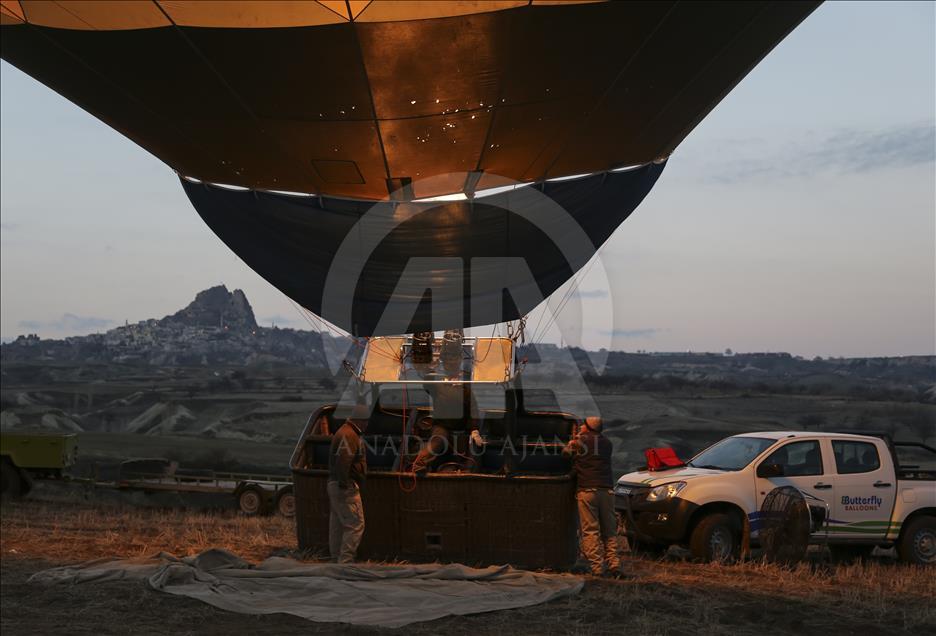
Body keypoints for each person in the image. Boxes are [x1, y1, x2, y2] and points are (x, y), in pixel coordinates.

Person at [411, 329, 483, 473]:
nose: (451, 361)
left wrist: (474, 430)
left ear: (459, 360)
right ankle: (418, 465)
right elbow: (427, 385)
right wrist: (429, 370)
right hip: (441, 427)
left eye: (454, 358)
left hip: (461, 428)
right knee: (437, 441)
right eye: (448, 359)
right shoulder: (437, 382)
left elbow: (473, 407)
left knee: (470, 450)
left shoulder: (465, 384)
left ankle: (465, 473)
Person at [563, 416, 621, 577]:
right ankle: (614, 565)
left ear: (588, 427)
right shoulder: (607, 443)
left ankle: (597, 568)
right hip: (607, 491)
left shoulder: (579, 441)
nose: (580, 426)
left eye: (583, 424)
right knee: (609, 531)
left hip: (587, 490)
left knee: (590, 531)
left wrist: (571, 442)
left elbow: (565, 454)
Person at [327, 403, 368, 563]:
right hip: (344, 485)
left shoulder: (344, 431)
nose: (367, 425)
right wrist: (346, 484)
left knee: (338, 523)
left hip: (334, 484)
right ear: (359, 420)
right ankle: (345, 562)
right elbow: (344, 460)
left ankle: (336, 559)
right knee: (356, 524)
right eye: (365, 421)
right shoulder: (350, 435)